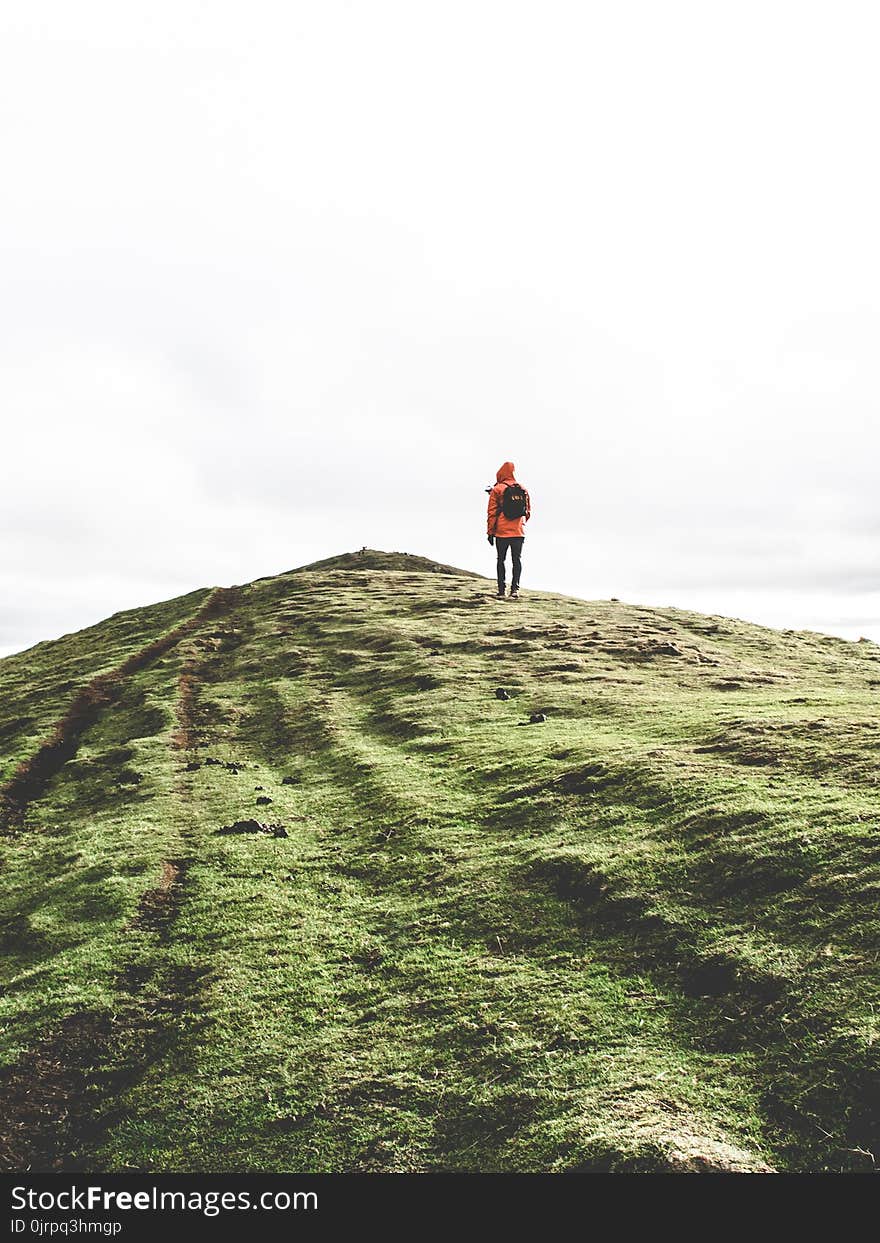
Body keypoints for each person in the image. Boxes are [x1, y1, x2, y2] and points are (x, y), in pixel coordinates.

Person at [486, 461, 531, 599]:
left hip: (502, 531)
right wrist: (519, 523)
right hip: (518, 531)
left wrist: (490, 532)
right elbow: (528, 512)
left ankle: (501, 590)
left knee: (501, 560)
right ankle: (515, 590)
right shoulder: (523, 488)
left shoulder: (497, 489)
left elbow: (492, 513)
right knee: (516, 560)